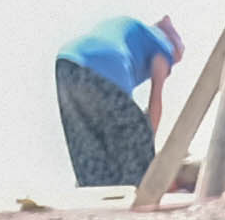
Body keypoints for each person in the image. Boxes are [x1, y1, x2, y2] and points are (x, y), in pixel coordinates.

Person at [59, 14, 184, 190]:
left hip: (68, 63)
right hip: (102, 64)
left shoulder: (137, 34)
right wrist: (146, 147)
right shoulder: (162, 48)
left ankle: (96, 189)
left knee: (89, 142)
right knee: (135, 132)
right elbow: (155, 100)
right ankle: (146, 189)